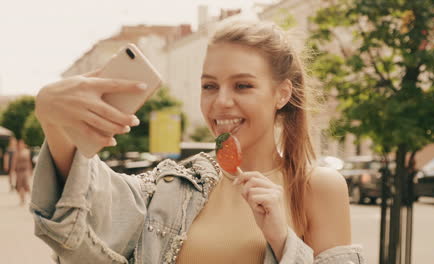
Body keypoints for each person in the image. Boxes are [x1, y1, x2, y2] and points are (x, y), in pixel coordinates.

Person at [31, 20, 364, 263]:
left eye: (243, 86)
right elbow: (83, 215)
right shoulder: (175, 184)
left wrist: (281, 239)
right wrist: (54, 122)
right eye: (209, 86)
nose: (221, 102)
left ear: (281, 94)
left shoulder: (318, 187)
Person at [14, 139, 33, 205]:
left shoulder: (27, 151)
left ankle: (32, 199)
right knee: (20, 186)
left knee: (27, 185)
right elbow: (14, 162)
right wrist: (13, 171)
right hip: (19, 171)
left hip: (26, 170)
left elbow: (29, 162)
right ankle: (22, 200)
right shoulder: (16, 152)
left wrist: (30, 170)